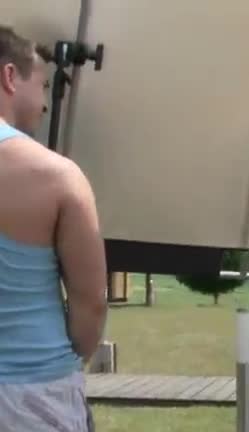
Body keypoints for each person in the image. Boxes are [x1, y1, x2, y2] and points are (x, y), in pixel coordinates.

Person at [0, 26, 107, 431]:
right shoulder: (58, 177)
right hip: (35, 397)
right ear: (10, 77)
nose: (46, 103)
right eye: (43, 85)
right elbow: (90, 304)